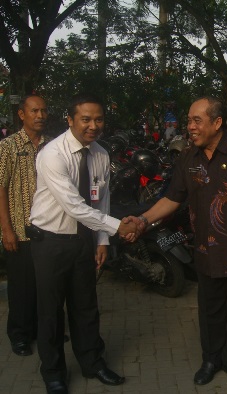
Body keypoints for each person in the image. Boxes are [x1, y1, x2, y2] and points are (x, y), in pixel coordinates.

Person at [128, 96, 227, 386]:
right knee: (210, 310)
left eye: (197, 120)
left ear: (217, 122)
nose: (190, 126)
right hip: (206, 251)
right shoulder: (187, 156)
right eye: (189, 120)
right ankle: (210, 359)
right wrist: (143, 220)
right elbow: (173, 198)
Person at [29, 93, 137, 394]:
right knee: (51, 311)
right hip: (50, 242)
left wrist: (101, 241)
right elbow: (74, 206)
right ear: (70, 119)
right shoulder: (53, 154)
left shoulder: (100, 153)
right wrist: (118, 227)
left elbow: (100, 199)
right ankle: (53, 372)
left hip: (83, 241)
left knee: (86, 306)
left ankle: (93, 363)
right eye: (86, 119)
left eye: (98, 119)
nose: (93, 125)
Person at [0, 95, 50, 357]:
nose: (40, 115)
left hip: (48, 230)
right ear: (22, 115)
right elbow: (1, 188)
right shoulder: (8, 146)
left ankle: (43, 330)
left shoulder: (51, 146)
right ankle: (19, 335)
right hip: (18, 229)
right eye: (34, 111)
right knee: (21, 287)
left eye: (43, 110)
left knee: (45, 285)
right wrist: (6, 230)